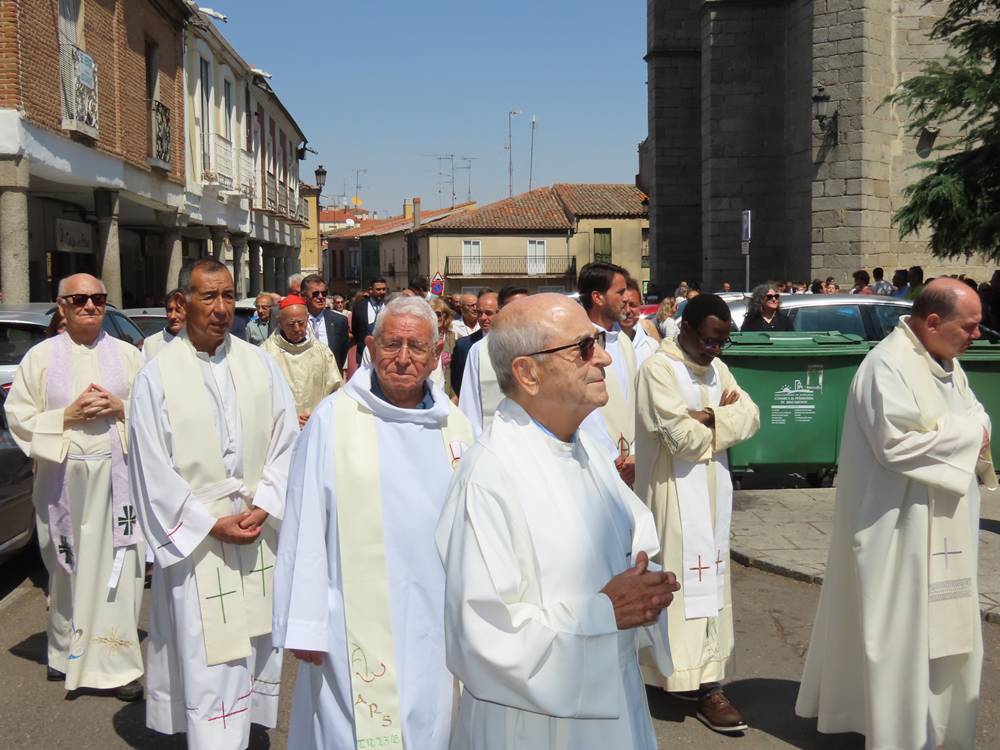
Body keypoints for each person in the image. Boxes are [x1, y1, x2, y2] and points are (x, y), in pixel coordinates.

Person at [436, 293, 679, 749]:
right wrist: (605, 611)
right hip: (534, 726)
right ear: (528, 373)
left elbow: (630, 535)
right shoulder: (490, 476)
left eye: (599, 341)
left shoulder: (583, 445)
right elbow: (482, 638)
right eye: (584, 347)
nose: (604, 357)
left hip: (614, 700)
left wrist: (646, 583)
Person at [796, 279, 995, 749]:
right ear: (932, 322)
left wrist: (969, 429)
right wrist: (970, 432)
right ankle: (897, 733)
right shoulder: (886, 366)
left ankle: (937, 729)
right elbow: (897, 444)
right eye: (969, 326)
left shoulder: (946, 363)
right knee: (902, 636)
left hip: (943, 526)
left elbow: (978, 416)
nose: (978, 335)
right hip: (899, 528)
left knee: (944, 633)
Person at [272, 296, 473, 749]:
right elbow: (304, 521)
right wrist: (304, 621)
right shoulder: (334, 420)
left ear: (436, 350)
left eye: (417, 347)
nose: (403, 358)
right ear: (369, 346)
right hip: (349, 616)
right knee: (351, 729)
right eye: (392, 344)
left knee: (431, 722)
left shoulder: (454, 427)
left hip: (433, 615)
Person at [128, 259, 299, 749]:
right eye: (209, 297)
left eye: (228, 296)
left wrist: (265, 503)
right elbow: (150, 465)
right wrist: (207, 525)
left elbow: (286, 441)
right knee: (207, 653)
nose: (222, 308)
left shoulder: (259, 363)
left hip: (253, 529)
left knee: (252, 643)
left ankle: (243, 732)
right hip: (199, 542)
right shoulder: (156, 377)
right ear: (182, 304)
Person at [5, 273, 146, 700]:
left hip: (115, 476)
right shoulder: (39, 357)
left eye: (98, 298)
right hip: (62, 478)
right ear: (61, 306)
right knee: (67, 566)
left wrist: (121, 406)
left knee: (118, 569)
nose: (90, 305)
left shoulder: (128, 356)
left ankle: (115, 664)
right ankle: (65, 650)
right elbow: (18, 416)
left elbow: (158, 410)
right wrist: (65, 416)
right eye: (80, 299)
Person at [634, 293, 760, 733]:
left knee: (711, 582)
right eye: (708, 340)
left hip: (712, 495)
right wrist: (722, 418)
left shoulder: (719, 369)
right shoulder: (657, 369)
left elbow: (752, 416)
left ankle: (709, 682)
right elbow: (677, 438)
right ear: (684, 328)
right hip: (672, 496)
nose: (714, 350)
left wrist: (706, 415)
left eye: (721, 342)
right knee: (676, 582)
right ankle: (663, 672)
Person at [577, 262, 639, 486]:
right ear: (598, 297)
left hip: (629, 465)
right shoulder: (578, 342)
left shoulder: (624, 340)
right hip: (592, 465)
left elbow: (634, 402)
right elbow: (583, 407)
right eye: (620, 292)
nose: (626, 298)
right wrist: (610, 456)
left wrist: (634, 455)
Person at [457, 286, 529, 436]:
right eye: (513, 309)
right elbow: (470, 406)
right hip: (494, 441)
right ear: (503, 311)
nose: (521, 314)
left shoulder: (547, 344)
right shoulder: (478, 350)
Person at [261, 295, 342, 429]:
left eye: (301, 322)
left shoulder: (322, 353)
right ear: (280, 322)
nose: (297, 328)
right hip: (280, 430)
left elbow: (335, 392)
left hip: (316, 425)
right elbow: (260, 398)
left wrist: (319, 415)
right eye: (291, 324)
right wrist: (288, 418)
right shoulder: (266, 354)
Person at [450, 288, 497, 397]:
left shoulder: (515, 344)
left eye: (488, 313)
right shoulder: (463, 346)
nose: (482, 318)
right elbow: (457, 381)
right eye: (480, 313)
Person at [301, 274, 349, 371]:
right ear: (304, 296)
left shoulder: (339, 321)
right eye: (315, 294)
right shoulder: (297, 321)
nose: (321, 297)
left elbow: (341, 354)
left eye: (324, 293)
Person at [621, 277, 662, 368]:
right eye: (622, 305)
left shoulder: (652, 347)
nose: (627, 310)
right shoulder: (602, 346)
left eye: (633, 305)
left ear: (641, 305)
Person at [350, 277, 388, 364]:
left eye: (383, 289)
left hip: (385, 354)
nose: (382, 292)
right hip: (364, 354)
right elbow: (355, 329)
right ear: (370, 290)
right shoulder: (359, 307)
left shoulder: (390, 306)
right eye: (378, 289)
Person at [143, 288, 185, 361]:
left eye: (178, 310)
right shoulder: (151, 344)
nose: (173, 316)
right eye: (169, 310)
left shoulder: (202, 344)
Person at [428, 296, 457, 397]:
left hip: (447, 393)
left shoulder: (454, 338)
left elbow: (457, 370)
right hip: (426, 391)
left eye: (438, 314)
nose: (436, 318)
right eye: (431, 314)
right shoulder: (422, 338)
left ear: (445, 316)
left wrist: (455, 396)